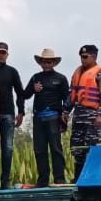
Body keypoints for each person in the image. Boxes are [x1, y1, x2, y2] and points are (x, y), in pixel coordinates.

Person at [24, 47, 71, 187]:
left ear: (54, 63)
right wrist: (33, 88)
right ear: (40, 62)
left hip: (54, 117)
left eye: (50, 62)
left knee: (56, 149)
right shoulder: (35, 78)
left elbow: (67, 99)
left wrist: (64, 120)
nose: (47, 64)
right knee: (39, 149)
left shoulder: (61, 78)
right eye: (44, 61)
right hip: (38, 118)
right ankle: (43, 180)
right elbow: (25, 95)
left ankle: (59, 179)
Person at [0, 41, 26, 189]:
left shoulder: (12, 71)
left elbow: (20, 93)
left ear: (7, 55)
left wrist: (21, 111)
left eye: (3, 53)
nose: (1, 55)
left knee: (7, 148)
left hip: (8, 113)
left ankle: (5, 181)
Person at [67, 43, 101, 181]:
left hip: (92, 115)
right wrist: (65, 112)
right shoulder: (78, 73)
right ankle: (78, 178)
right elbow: (71, 94)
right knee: (77, 147)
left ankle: (95, 178)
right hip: (78, 114)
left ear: (94, 57)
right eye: (81, 57)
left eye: (85, 57)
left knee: (93, 147)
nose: (83, 60)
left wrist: (100, 114)